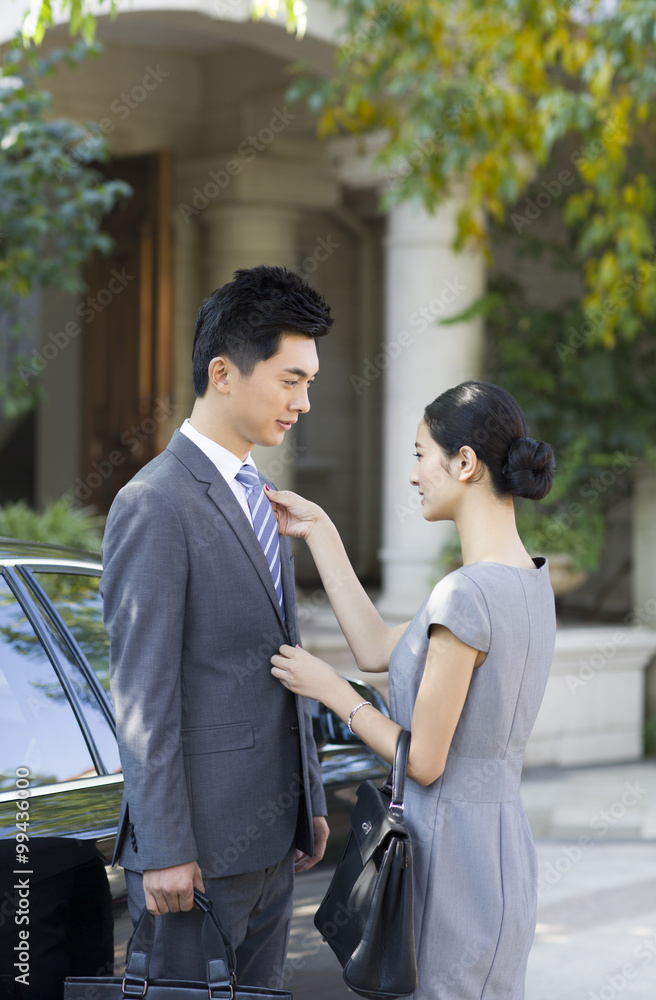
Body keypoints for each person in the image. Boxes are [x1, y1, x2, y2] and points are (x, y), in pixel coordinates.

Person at [268, 379, 557, 1000]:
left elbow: (423, 761)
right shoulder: (530, 583)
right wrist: (319, 529)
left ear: (465, 463)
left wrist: (332, 693)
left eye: (421, 453)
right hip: (502, 848)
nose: (413, 474)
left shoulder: (466, 595)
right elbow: (377, 647)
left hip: (449, 856)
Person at [101, 265, 333, 987]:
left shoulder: (262, 496)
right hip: (192, 859)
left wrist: (310, 800)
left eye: (310, 384)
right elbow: (144, 690)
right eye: (289, 380)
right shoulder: (154, 503)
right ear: (224, 372)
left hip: (273, 845)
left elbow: (281, 657)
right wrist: (167, 846)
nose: (302, 402)